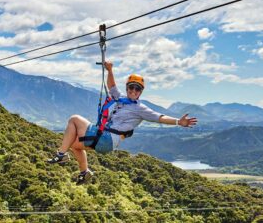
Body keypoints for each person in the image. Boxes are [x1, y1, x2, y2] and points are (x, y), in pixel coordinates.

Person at [47, 61, 197, 185]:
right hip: (106, 142)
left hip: (106, 138)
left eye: (137, 89)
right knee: (74, 145)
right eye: (131, 87)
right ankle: (84, 172)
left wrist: (179, 122)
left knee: (74, 119)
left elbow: (159, 117)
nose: (133, 90)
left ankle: (60, 154)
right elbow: (112, 86)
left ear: (141, 92)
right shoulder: (120, 99)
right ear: (127, 88)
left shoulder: (140, 108)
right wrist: (110, 70)